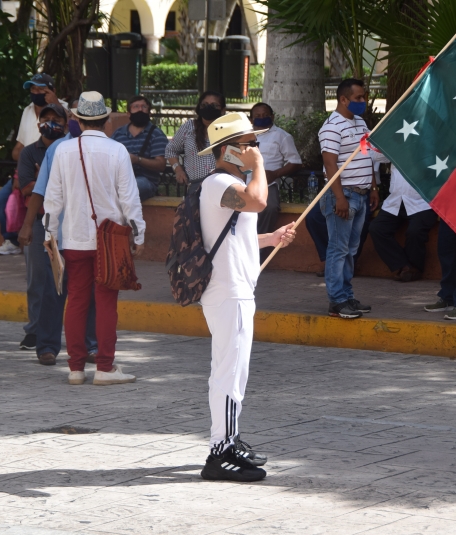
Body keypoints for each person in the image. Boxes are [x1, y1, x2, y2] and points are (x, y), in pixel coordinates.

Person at [196, 112, 296, 482]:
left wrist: (271, 239)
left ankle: (229, 439)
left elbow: (234, 237)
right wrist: (259, 166)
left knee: (233, 370)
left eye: (255, 143)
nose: (254, 148)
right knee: (228, 372)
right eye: (248, 144)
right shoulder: (219, 183)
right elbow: (258, 202)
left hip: (236, 288)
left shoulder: (228, 184)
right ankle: (220, 451)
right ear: (229, 151)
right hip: (229, 291)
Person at [43, 91, 145, 385]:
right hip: (109, 240)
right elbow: (129, 199)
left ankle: (75, 368)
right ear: (107, 119)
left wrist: (49, 234)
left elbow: (54, 199)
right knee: (106, 303)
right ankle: (104, 367)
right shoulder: (117, 151)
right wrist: (138, 234)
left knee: (75, 300)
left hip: (73, 239)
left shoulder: (62, 150)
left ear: (76, 119)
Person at [18, 102, 99, 366]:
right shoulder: (57, 149)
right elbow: (39, 190)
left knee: (90, 292)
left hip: (92, 233)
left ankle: (91, 345)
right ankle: (47, 346)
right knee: (54, 288)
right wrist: (29, 224)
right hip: (60, 231)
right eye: (74, 113)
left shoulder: (106, 149)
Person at [318, 78, 380, 319]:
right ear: (343, 99)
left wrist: (373, 187)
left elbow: (367, 156)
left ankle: (346, 295)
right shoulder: (332, 126)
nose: (363, 102)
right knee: (338, 249)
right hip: (344, 195)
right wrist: (339, 198)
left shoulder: (360, 122)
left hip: (361, 194)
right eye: (358, 98)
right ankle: (337, 301)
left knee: (351, 249)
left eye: (363, 97)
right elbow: (330, 164)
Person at [0, 73, 65, 256]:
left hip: (59, 181)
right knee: (2, 198)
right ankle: (12, 239)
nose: (36, 92)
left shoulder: (64, 109)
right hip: (29, 168)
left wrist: (56, 103)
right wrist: (28, 161)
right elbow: (18, 148)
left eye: (41, 89)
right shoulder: (27, 111)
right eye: (33, 89)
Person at [17, 103, 67, 363]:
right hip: (39, 221)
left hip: (68, 223)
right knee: (38, 280)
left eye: (56, 118)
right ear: (38, 124)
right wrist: (46, 181)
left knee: (69, 282)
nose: (50, 122)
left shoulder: (70, 148)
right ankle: (35, 331)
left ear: (66, 122)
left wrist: (45, 179)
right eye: (45, 118)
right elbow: (27, 187)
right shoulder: (29, 153)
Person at [250, 102, 302, 261]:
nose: (261, 118)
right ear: (251, 119)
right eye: (257, 116)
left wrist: (276, 174)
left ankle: (258, 255)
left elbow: (295, 162)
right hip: (244, 183)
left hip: (268, 184)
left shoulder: (282, 136)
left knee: (270, 208)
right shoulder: (245, 135)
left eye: (265, 115)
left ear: (272, 116)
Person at [369, 164, 437, 282]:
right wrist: (374, 189)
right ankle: (404, 266)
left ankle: (415, 268)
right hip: (395, 201)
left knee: (415, 231)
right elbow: (374, 154)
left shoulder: (429, 146)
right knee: (377, 228)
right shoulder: (396, 145)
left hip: (422, 202)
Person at [165, 91, 226, 194]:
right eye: (204, 105)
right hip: (195, 187)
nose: (208, 108)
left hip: (223, 186)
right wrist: (178, 170)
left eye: (214, 105)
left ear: (223, 109)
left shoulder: (229, 129)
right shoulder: (189, 127)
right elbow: (170, 150)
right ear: (199, 107)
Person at [111, 95, 168, 201]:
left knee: (129, 188)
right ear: (128, 113)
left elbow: (161, 165)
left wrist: (137, 160)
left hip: (145, 181)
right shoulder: (118, 134)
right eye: (136, 107)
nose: (140, 109)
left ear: (149, 113)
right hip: (120, 179)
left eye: (144, 107)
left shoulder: (156, 134)